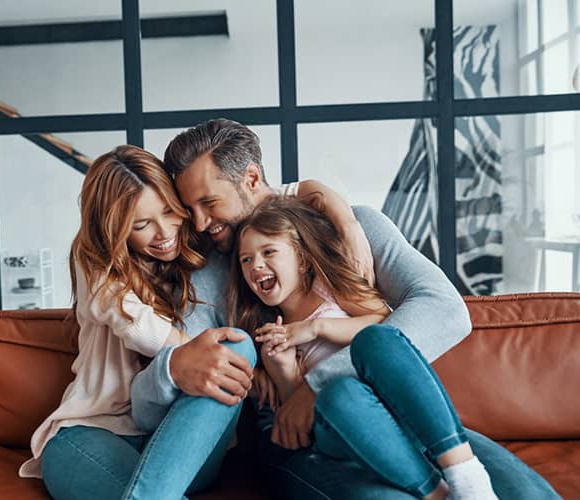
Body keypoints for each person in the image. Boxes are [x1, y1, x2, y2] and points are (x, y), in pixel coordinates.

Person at [130, 118, 559, 499]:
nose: (201, 224)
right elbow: (184, 374)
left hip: (389, 411)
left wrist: (316, 385)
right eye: (191, 210)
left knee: (516, 489)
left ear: (252, 178)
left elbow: (445, 311)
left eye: (209, 203)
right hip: (298, 442)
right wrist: (178, 368)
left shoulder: (353, 229)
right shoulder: (208, 276)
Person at [18, 145, 256, 500]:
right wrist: (182, 356)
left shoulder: (203, 246)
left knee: (236, 345)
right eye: (142, 225)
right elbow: (137, 326)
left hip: (183, 442)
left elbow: (260, 199)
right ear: (115, 230)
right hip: (93, 431)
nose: (164, 233)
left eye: (169, 211)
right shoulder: (95, 261)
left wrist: (317, 193)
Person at [230, 196, 498, 500]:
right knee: (339, 396)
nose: (256, 266)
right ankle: (438, 495)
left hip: (384, 409)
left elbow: (386, 327)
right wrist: (284, 370)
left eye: (268, 252)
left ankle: (460, 480)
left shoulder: (329, 290)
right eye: (246, 260)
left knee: (369, 356)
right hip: (337, 428)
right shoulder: (268, 333)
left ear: (302, 259)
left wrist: (317, 327)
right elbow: (297, 415)